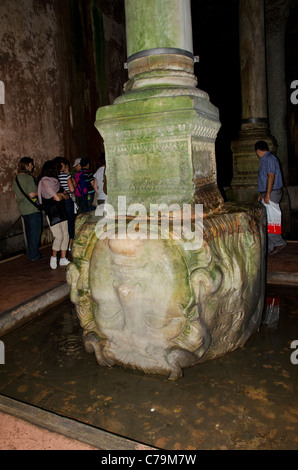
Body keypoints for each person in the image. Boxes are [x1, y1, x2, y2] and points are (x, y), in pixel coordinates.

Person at [255, 140, 287, 255]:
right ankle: (270, 247)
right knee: (267, 219)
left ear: (258, 151)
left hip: (272, 193)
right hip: (269, 192)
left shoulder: (269, 159)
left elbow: (271, 177)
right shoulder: (268, 159)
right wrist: (263, 194)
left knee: (270, 220)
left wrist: (267, 194)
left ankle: (279, 242)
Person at [37, 160, 70, 269]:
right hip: (52, 212)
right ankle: (54, 257)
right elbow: (57, 197)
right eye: (56, 168)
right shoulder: (44, 182)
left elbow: (66, 195)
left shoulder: (55, 181)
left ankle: (63, 258)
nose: (58, 170)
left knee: (66, 234)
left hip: (61, 210)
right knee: (59, 236)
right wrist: (60, 195)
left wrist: (60, 195)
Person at [12, 157, 43, 261]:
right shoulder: (28, 178)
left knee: (30, 232)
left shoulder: (15, 179)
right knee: (35, 232)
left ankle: (31, 253)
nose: (32, 167)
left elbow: (16, 197)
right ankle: (34, 255)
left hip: (23, 210)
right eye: (31, 165)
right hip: (32, 209)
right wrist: (40, 191)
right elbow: (32, 194)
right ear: (26, 166)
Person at [54, 157, 76, 251]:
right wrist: (69, 175)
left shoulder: (55, 176)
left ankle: (63, 244)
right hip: (67, 200)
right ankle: (70, 244)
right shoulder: (66, 176)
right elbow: (72, 188)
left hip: (58, 201)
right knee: (70, 221)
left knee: (63, 223)